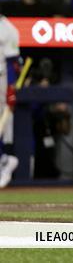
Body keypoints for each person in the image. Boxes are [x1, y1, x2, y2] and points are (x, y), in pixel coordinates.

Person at [0, 15, 19, 188]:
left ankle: (5, 160)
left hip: (1, 79)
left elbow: (13, 63)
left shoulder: (9, 29)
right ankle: (4, 159)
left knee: (3, 125)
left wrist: (11, 88)